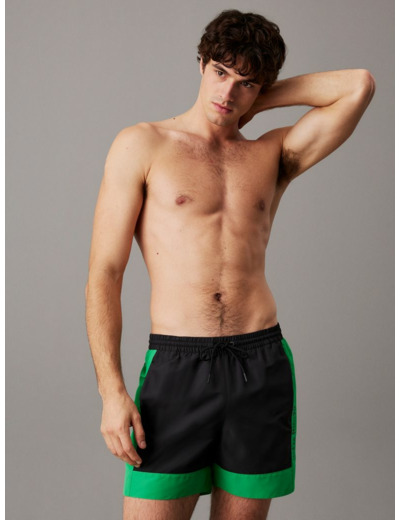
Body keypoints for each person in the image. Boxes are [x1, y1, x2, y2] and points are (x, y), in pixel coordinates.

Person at [85, 8, 375, 520]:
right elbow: (104, 273)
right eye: (220, 72)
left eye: (246, 83)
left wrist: (259, 100)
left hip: (259, 363)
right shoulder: (143, 144)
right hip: (178, 366)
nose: (227, 92)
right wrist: (112, 392)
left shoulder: (271, 154)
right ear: (201, 63)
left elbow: (359, 85)